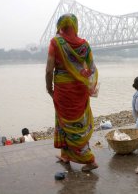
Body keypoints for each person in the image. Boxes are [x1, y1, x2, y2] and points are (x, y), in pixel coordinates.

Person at [45, 13, 99, 172]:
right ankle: (66, 155)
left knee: (68, 123)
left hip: (63, 90)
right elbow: (92, 69)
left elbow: (49, 70)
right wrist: (87, 83)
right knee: (75, 123)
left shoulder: (56, 42)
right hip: (80, 91)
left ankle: (89, 160)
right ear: (75, 26)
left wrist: (49, 89)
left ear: (59, 26)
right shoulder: (84, 45)